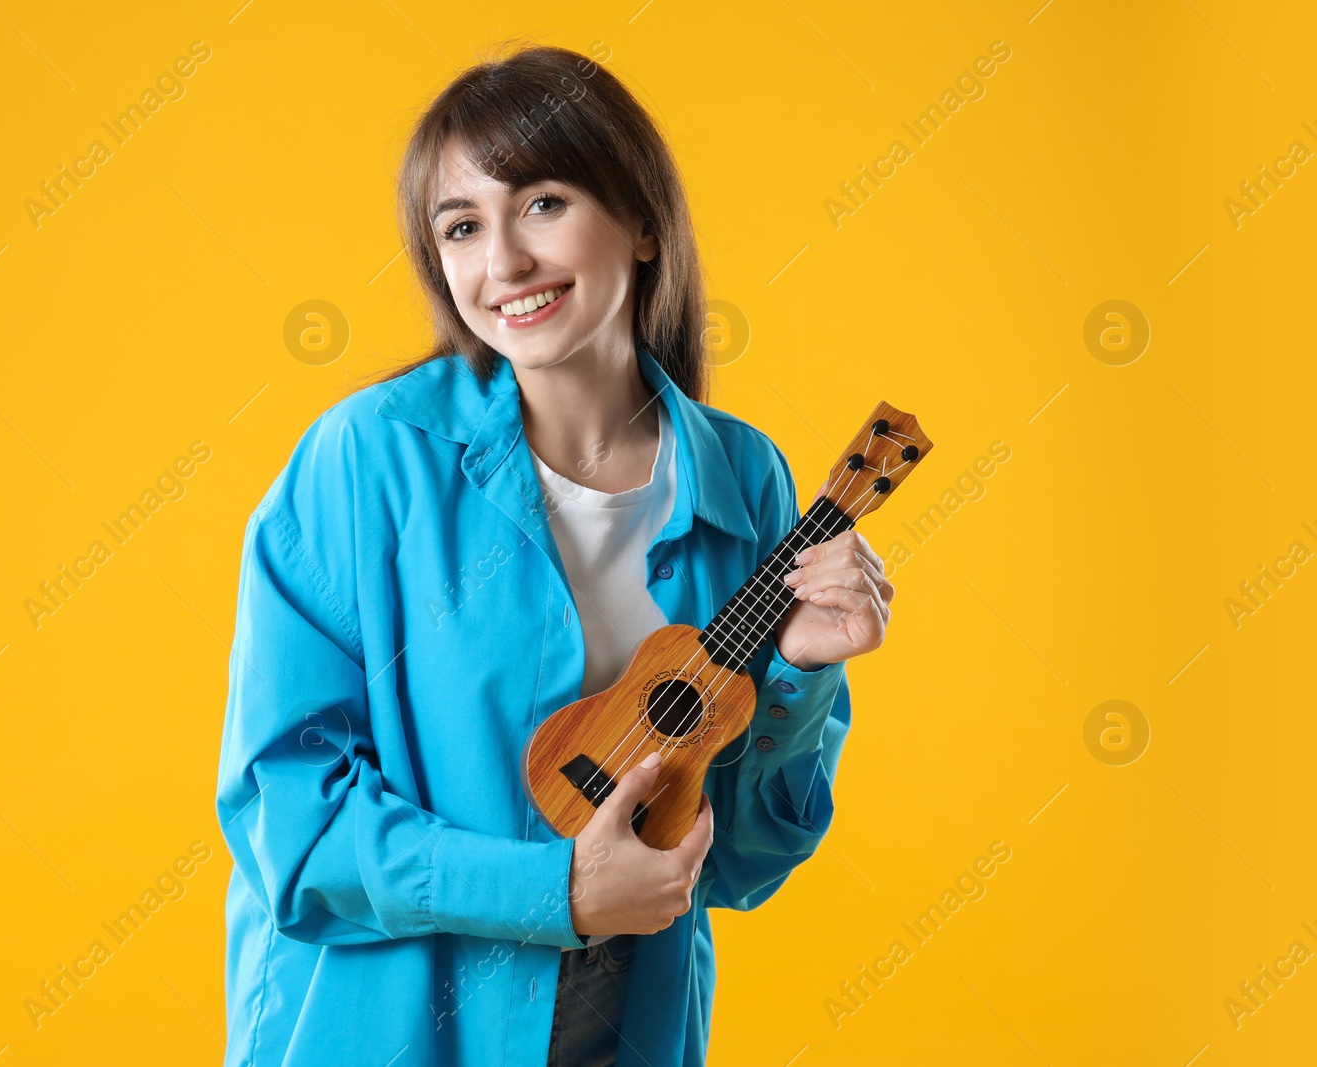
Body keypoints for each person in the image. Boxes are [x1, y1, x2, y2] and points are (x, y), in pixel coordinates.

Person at [215, 42, 894, 1067]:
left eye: (542, 202)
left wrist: (800, 674)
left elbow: (742, 860)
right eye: (461, 225)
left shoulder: (741, 476)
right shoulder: (364, 462)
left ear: (643, 221)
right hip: (387, 1032)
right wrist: (557, 893)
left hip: (625, 1024)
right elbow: (292, 821)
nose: (503, 264)